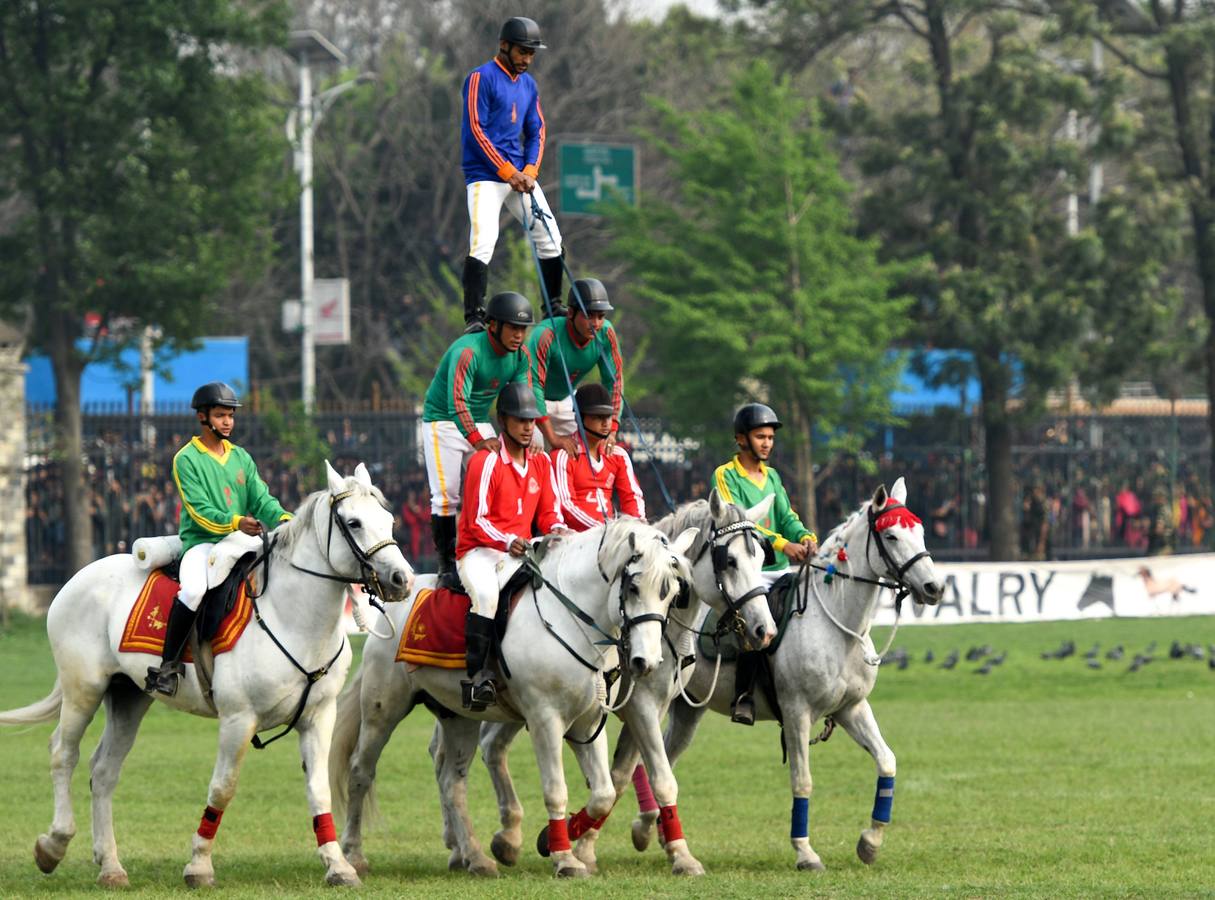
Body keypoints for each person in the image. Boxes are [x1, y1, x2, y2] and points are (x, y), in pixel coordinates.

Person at [144, 382, 292, 696]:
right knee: (195, 591)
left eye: (230, 416)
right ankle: (167, 668)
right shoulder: (185, 459)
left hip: (239, 542)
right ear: (203, 417)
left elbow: (261, 497)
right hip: (201, 544)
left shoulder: (241, 457)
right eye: (221, 415)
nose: (228, 422)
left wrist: (284, 518)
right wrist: (236, 522)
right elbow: (199, 511)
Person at [455, 382, 567, 710]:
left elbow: (550, 511)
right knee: (488, 596)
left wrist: (558, 529)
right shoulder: (484, 461)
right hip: (479, 552)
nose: (528, 427)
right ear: (503, 421)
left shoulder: (541, 462)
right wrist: (507, 541)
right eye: (521, 420)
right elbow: (476, 520)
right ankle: (477, 677)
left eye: (532, 421)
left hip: (521, 549)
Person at [422, 291, 536, 588]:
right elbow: (456, 401)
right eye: (513, 327)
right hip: (442, 420)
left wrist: (532, 434)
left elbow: (524, 398)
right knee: (446, 495)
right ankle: (447, 567)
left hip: (478, 421)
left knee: (503, 476)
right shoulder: (468, 351)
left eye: (523, 329)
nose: (519, 335)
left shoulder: (520, 356)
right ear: (493, 326)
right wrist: (477, 439)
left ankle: (496, 547)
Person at [713, 403, 818, 726]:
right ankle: (744, 695)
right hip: (749, 573)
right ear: (741, 439)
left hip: (782, 570)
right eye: (760, 436)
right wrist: (782, 544)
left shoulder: (772, 476)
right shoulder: (725, 475)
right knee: (754, 624)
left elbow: (786, 516)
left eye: (770, 437)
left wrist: (804, 537)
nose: (767, 443)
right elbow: (739, 523)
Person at [460, 16, 564, 331]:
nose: (527, 59)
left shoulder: (529, 86)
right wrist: (507, 172)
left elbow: (538, 131)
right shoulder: (481, 77)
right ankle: (474, 316)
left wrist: (530, 171)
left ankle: (554, 306)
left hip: (520, 175)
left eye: (531, 53)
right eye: (522, 51)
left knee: (551, 237)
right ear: (504, 45)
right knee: (484, 241)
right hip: (486, 175)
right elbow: (476, 131)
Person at [527, 278, 623, 457]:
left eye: (601, 316)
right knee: (535, 451)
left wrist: (612, 428)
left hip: (565, 401)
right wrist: (553, 438)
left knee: (587, 449)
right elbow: (534, 387)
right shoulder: (546, 334)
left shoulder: (606, 333)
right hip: (531, 402)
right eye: (588, 316)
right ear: (570, 313)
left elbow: (614, 382)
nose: (596, 324)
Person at [551, 382, 645, 531]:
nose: (606, 423)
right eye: (598, 417)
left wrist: (636, 524)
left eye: (608, 417)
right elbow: (566, 506)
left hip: (608, 537)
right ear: (579, 418)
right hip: (575, 539)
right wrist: (602, 530)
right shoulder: (563, 455)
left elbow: (632, 497)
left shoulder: (619, 455)